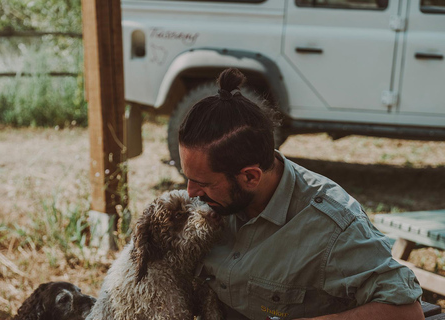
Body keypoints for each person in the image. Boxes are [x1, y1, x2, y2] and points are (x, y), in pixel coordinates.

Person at [178, 68, 424, 320]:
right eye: (188, 177)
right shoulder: (208, 204)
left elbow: (407, 312)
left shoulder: (333, 228)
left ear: (250, 177)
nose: (190, 192)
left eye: (203, 183)